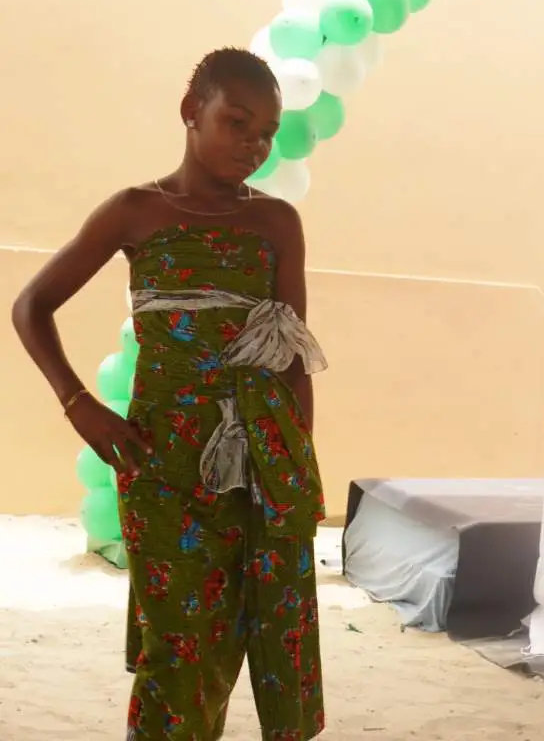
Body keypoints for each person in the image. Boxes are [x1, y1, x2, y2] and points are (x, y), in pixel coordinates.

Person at [12, 48, 327, 741]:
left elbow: (292, 358)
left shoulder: (278, 223)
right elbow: (31, 305)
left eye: (267, 133)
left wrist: (298, 466)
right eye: (237, 122)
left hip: (262, 461)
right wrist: (78, 404)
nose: (254, 145)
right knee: (178, 642)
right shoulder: (136, 211)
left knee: (246, 634)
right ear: (191, 112)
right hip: (160, 460)